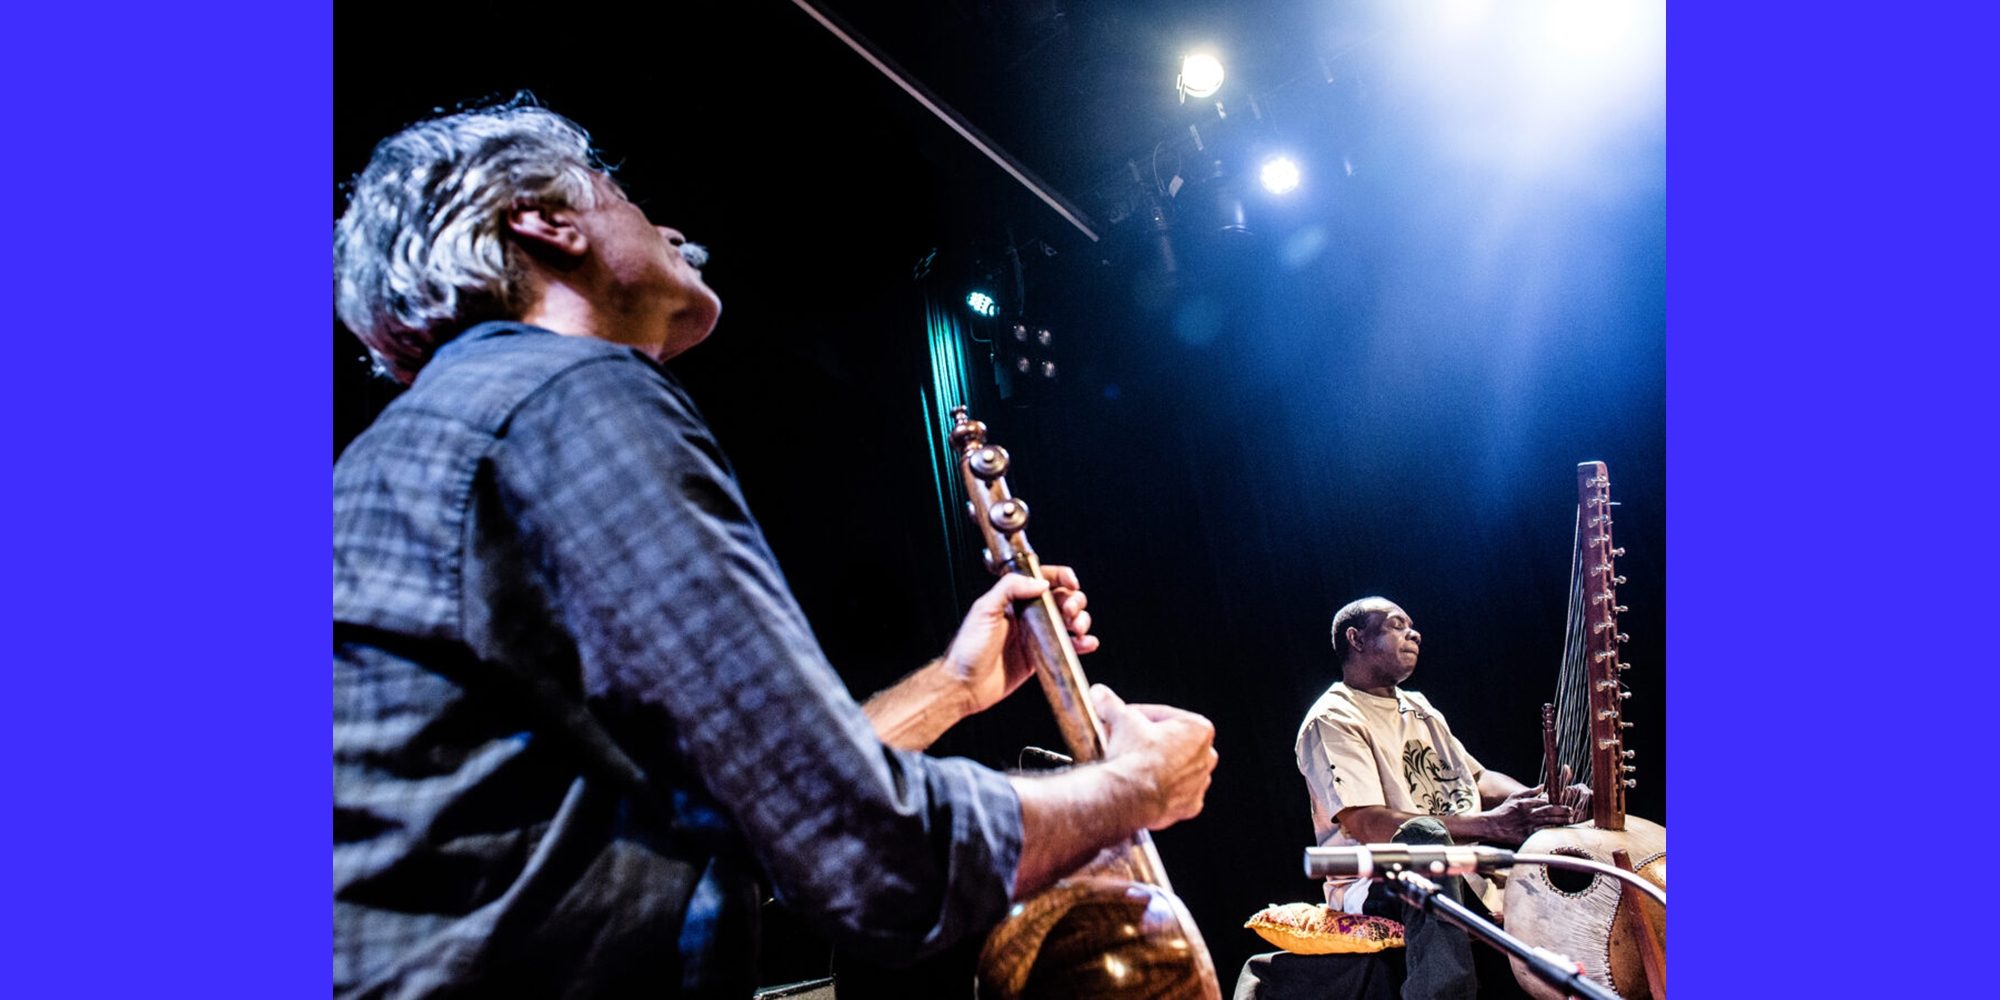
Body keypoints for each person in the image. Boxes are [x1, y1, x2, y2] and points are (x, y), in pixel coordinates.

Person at [333, 98, 1219, 999]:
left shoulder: (436, 437)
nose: (673, 232)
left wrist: (955, 686)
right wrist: (1139, 784)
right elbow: (858, 844)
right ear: (548, 225)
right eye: (624, 199)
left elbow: (759, 812)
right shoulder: (569, 392)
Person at [1292, 597, 1589, 1000]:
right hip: (1380, 881)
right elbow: (1368, 824)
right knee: (1422, 838)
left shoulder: (1419, 707)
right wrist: (1494, 826)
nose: (1413, 633)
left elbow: (1478, 779)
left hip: (1463, 871)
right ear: (1356, 639)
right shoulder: (1333, 717)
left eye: (1412, 626)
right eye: (1396, 625)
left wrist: (1539, 800)